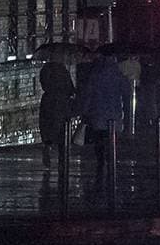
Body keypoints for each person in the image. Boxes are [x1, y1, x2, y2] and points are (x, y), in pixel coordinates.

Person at [78, 50, 133, 191]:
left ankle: (101, 163)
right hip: (114, 116)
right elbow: (127, 95)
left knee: (99, 141)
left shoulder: (95, 75)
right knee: (111, 140)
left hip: (97, 115)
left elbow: (88, 95)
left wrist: (84, 112)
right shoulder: (118, 75)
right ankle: (110, 162)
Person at [36, 58, 76, 170]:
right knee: (62, 131)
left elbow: (43, 84)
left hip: (48, 101)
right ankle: (62, 159)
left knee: (47, 127)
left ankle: (47, 146)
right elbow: (71, 88)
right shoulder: (64, 70)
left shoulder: (46, 69)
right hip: (62, 103)